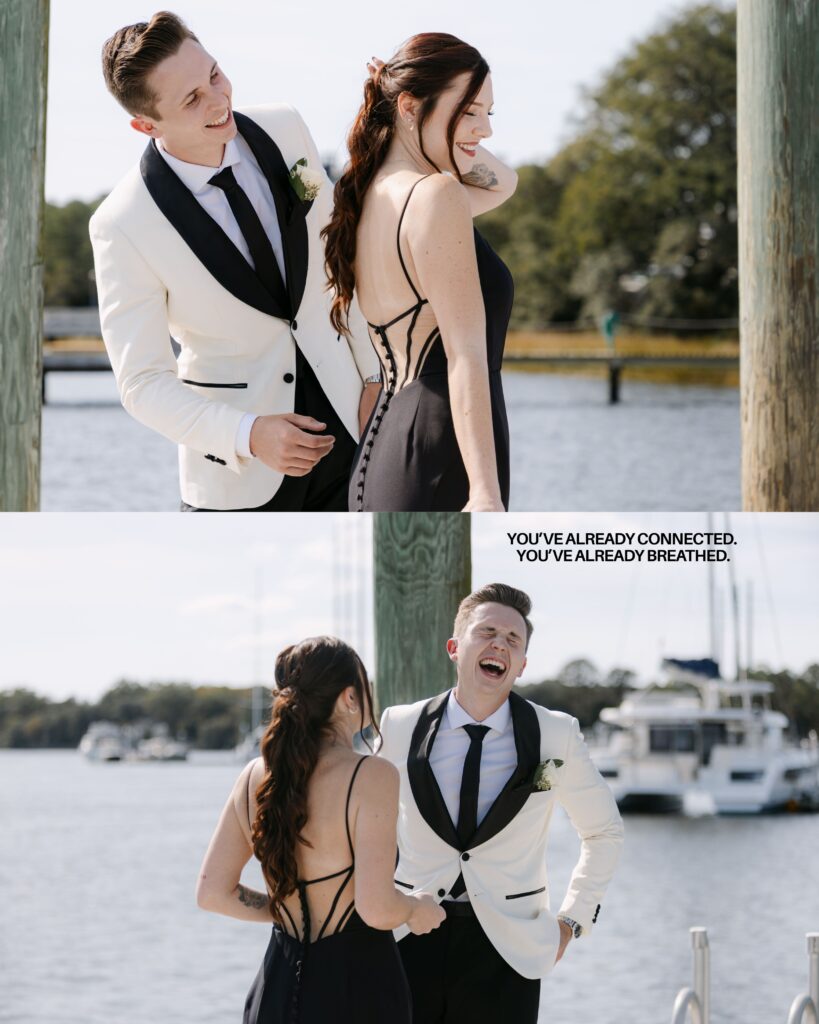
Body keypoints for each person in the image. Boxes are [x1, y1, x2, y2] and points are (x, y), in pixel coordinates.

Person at [90, 12, 380, 511]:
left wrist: (376, 378)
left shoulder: (285, 128)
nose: (219, 100)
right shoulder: (122, 223)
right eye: (192, 99)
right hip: (242, 473)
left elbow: (340, 257)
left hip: (358, 426)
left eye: (214, 75)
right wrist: (248, 434)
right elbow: (142, 383)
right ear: (145, 124)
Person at [378, 583, 625, 1024]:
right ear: (455, 647)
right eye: (487, 631)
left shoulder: (555, 735)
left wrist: (572, 922)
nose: (500, 644)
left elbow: (604, 832)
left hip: (510, 950)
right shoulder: (399, 724)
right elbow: (364, 827)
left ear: (523, 665)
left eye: (513, 640)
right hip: (406, 937)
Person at [196, 636, 444, 1023]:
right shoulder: (370, 774)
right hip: (357, 990)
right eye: (366, 686)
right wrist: (417, 909)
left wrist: (280, 910)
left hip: (277, 984)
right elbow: (377, 908)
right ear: (349, 697)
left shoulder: (254, 776)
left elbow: (213, 893)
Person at [322, 34, 518, 513]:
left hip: (383, 452)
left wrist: (402, 107)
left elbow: (505, 184)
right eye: (470, 112)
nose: (485, 130)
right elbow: (465, 356)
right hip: (442, 452)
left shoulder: (370, 196)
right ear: (410, 107)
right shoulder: (437, 196)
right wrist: (485, 492)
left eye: (489, 113)